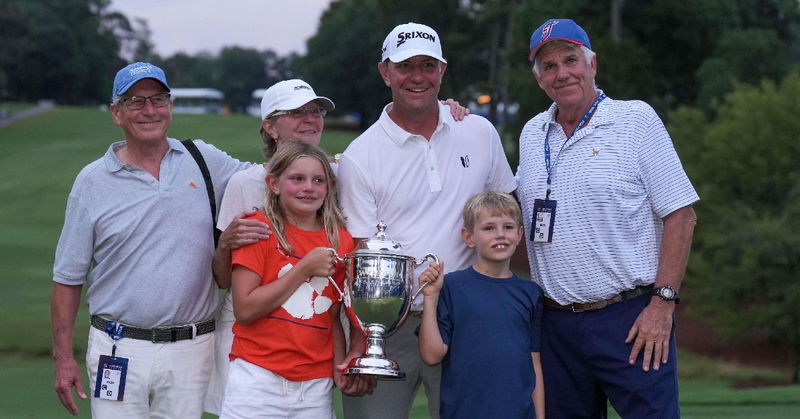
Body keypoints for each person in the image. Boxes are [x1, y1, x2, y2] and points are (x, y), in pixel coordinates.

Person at [204, 79, 468, 414]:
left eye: (315, 111)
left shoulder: (344, 171)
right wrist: (227, 244)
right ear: (269, 127)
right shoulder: (248, 186)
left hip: (314, 353)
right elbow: (228, 282)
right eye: (296, 112)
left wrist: (443, 109)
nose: (310, 119)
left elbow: (336, 301)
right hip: (256, 355)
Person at [516, 18, 699, 417]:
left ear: (592, 64)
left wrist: (662, 305)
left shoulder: (635, 120)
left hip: (631, 319)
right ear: (539, 79)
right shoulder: (532, 134)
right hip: (557, 324)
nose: (562, 73)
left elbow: (681, 215)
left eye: (570, 59)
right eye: (549, 66)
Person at [51, 62, 253, 417]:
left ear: (170, 106)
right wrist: (63, 357)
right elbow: (68, 278)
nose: (149, 111)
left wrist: (328, 163)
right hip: (117, 348)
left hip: (192, 350)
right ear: (116, 113)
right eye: (135, 101)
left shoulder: (203, 160)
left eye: (158, 99)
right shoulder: (92, 181)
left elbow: (271, 180)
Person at [336, 22, 517, 419]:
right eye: (404, 67)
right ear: (385, 72)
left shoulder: (478, 131)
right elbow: (359, 260)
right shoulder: (360, 156)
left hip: (465, 319)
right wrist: (359, 339)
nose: (417, 76)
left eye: (427, 65)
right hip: (386, 329)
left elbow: (506, 213)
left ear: (442, 70)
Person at [219, 140, 353, 418]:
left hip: (314, 385)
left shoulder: (342, 241)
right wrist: (304, 268)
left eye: (318, 180)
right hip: (257, 379)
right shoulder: (258, 228)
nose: (309, 187)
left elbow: (332, 315)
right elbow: (245, 310)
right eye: (297, 179)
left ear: (329, 187)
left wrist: (339, 366)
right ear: (274, 184)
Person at [418, 191, 545, 419]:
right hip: (464, 411)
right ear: (469, 237)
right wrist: (430, 297)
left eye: (508, 227)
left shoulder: (531, 293)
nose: (500, 235)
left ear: (519, 234)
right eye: (489, 228)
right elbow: (432, 355)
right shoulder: (451, 287)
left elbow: (534, 363)